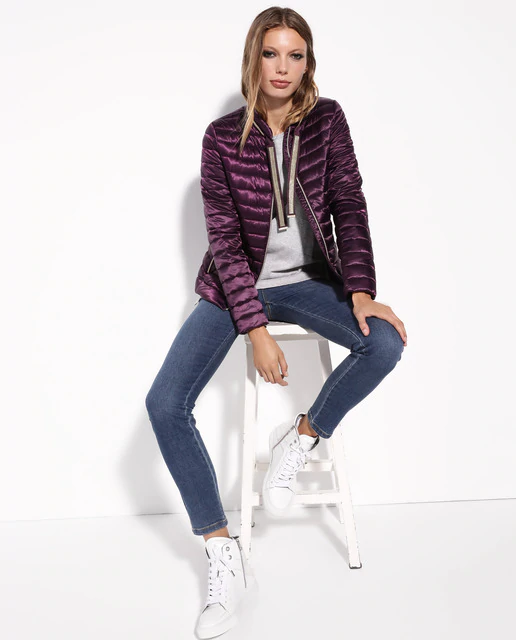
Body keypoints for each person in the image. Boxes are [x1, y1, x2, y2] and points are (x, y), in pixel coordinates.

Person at [145, 6, 407, 638]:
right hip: (235, 289)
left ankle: (304, 435)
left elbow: (349, 204)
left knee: (385, 343)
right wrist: (256, 329)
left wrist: (362, 292)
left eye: (295, 55)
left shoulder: (328, 122)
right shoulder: (221, 138)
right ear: (253, 59)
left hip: (312, 283)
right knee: (165, 403)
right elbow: (226, 242)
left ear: (308, 62)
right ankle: (222, 549)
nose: (282, 67)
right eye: (271, 54)